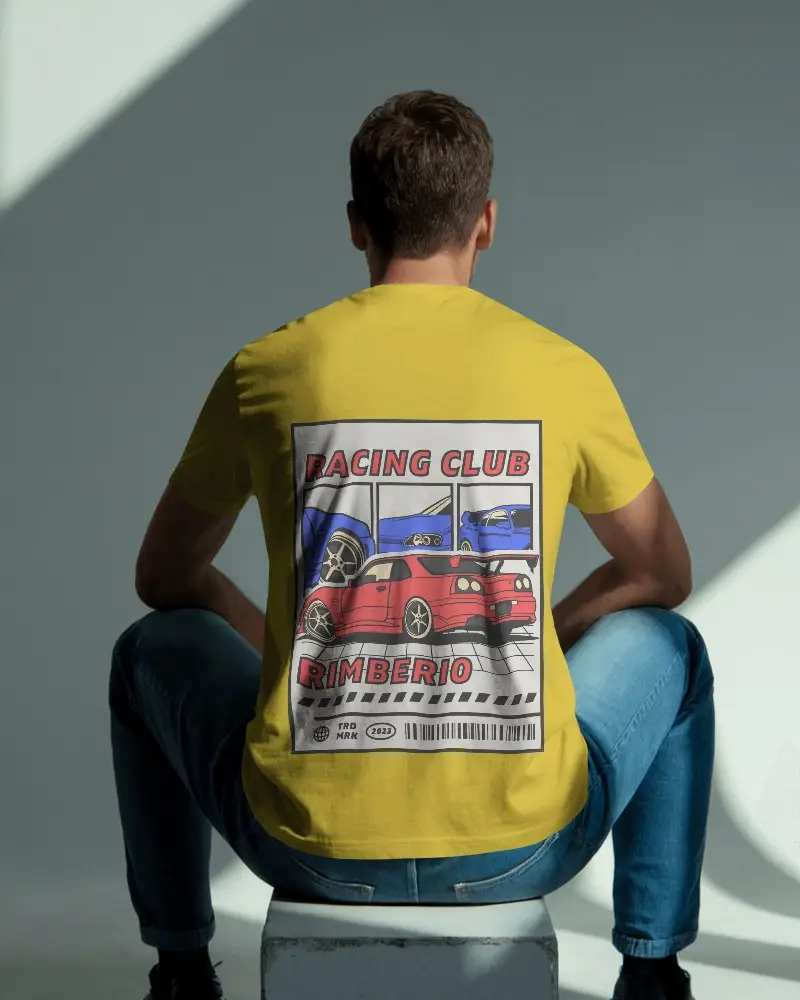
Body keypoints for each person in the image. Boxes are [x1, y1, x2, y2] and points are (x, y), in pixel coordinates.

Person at [111, 91, 714, 1000]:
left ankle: (181, 969)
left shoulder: (269, 369)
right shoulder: (562, 370)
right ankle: (654, 971)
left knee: (145, 653)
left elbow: (164, 580)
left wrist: (286, 642)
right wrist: (547, 631)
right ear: (487, 223)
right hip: (521, 848)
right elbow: (663, 573)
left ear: (358, 226)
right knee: (674, 649)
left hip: (307, 848)